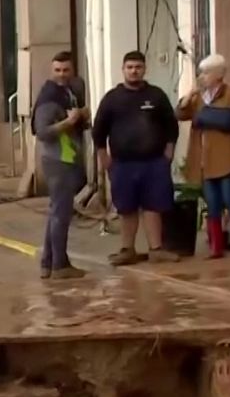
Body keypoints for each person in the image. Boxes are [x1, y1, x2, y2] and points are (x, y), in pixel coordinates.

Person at [92, 50, 181, 265]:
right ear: (123, 70)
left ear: (144, 69)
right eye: (130, 67)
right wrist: (104, 157)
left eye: (138, 67)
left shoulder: (156, 96)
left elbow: (171, 126)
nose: (134, 71)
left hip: (154, 163)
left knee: (154, 206)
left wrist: (169, 150)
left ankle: (156, 249)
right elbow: (98, 131)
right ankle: (127, 250)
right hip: (123, 164)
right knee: (127, 208)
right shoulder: (112, 99)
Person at [177, 54, 230, 259]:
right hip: (205, 159)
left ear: (219, 74)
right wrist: (187, 98)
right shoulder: (199, 97)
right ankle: (216, 247)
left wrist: (201, 117)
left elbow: (227, 122)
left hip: (226, 157)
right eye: (201, 73)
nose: (202, 76)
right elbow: (180, 114)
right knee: (212, 204)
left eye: (206, 72)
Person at [33, 52, 89, 279]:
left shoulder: (70, 91)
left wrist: (82, 117)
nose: (62, 74)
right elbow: (42, 132)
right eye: (57, 70)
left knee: (57, 211)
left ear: (73, 70)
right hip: (58, 160)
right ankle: (59, 265)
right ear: (51, 70)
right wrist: (69, 121)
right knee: (61, 213)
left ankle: (48, 263)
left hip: (68, 157)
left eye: (66, 70)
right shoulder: (49, 97)